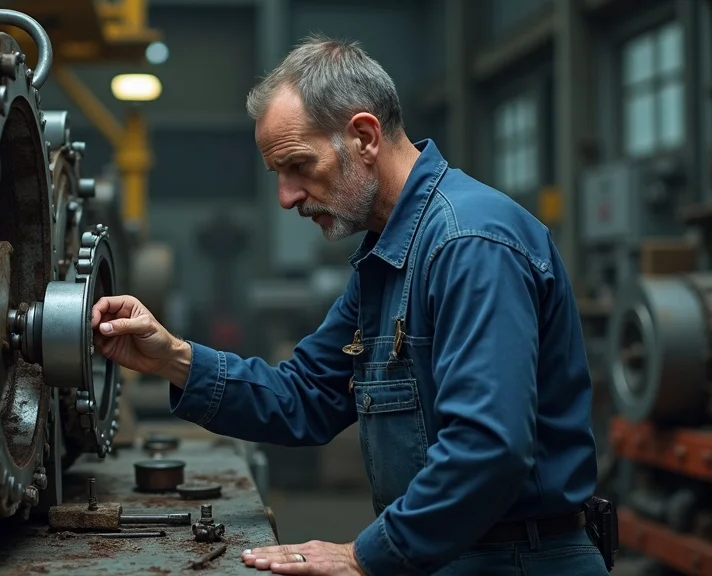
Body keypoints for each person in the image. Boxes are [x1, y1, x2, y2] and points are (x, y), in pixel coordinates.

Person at [91, 35, 606, 576]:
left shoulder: (466, 242)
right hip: (450, 552)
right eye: (278, 176)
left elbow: (489, 448)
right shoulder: (390, 257)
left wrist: (366, 557)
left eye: (297, 166)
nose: (287, 197)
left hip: (517, 560)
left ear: (364, 136)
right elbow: (305, 396)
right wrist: (171, 357)